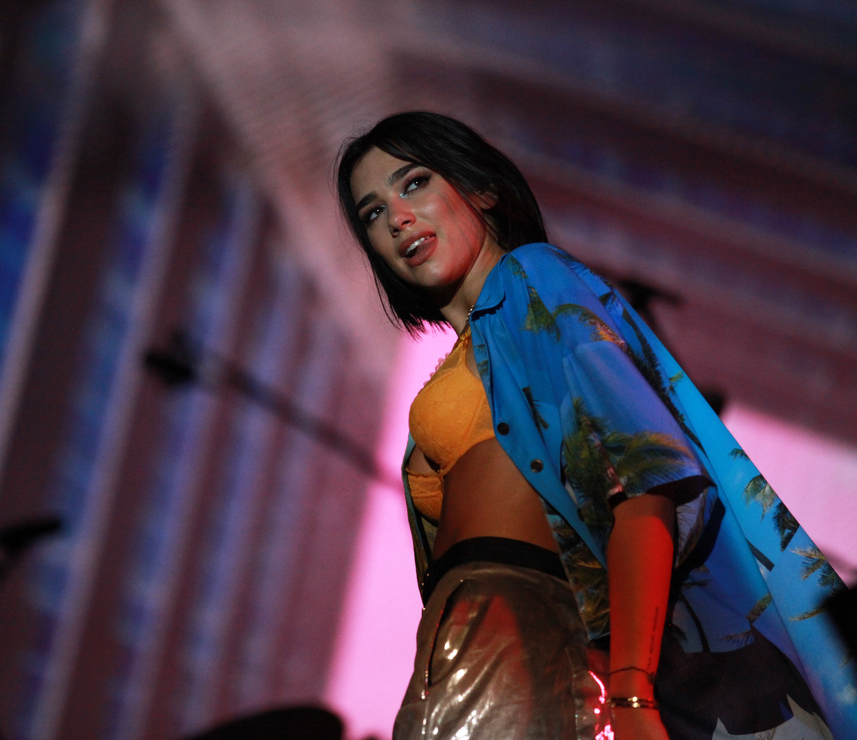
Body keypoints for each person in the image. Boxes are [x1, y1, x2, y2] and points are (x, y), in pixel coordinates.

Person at [336, 111, 856, 740]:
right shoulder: (462, 360)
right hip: (458, 656)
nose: (395, 217)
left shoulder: (531, 280)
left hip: (522, 644)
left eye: (414, 183)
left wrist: (633, 691)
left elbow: (643, 485)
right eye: (372, 212)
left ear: (482, 189)